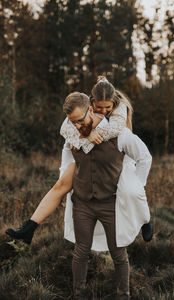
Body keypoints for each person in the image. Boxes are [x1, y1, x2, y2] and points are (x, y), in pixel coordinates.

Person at [6, 77, 152, 247]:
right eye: (99, 107)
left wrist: (139, 183)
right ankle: (29, 227)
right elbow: (65, 131)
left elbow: (115, 129)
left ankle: (145, 220)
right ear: (91, 105)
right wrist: (86, 134)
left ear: (112, 103)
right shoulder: (80, 109)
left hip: (114, 156)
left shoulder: (119, 110)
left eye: (107, 108)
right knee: (60, 186)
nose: (103, 111)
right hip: (87, 156)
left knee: (132, 191)